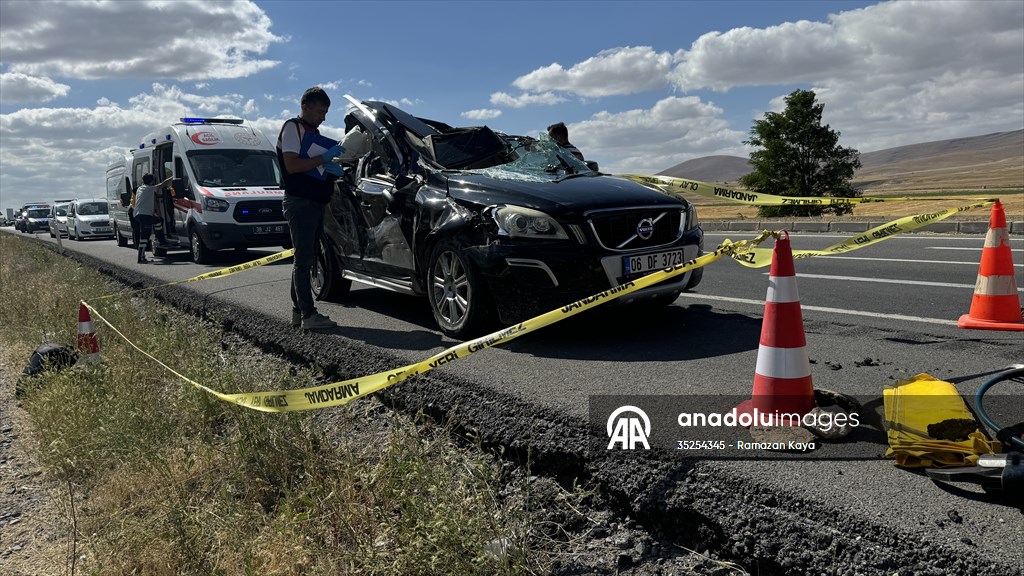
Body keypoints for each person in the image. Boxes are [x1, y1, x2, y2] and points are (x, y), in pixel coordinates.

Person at [277, 86, 345, 331]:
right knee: (303, 260)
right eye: (320, 112)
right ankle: (308, 314)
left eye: (325, 113)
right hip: (301, 202)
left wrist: (329, 169)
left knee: (306, 258)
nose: (323, 117)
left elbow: (308, 167)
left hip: (313, 203)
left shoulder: (311, 132)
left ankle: (299, 312)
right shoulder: (293, 129)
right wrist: (324, 159)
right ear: (305, 106)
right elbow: (293, 166)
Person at [134, 173, 172, 263]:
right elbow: (162, 185)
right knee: (144, 237)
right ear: (151, 181)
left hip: (139, 214)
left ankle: (161, 240)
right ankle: (141, 258)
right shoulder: (149, 189)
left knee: (158, 221)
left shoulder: (140, 188)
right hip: (145, 215)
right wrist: (172, 177)